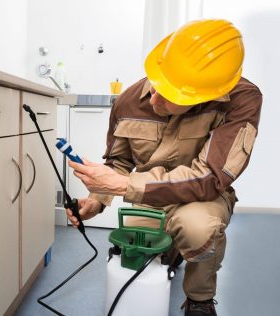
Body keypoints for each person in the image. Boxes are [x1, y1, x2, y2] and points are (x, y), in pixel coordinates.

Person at [66, 19, 262, 316]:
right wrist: (96, 201)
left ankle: (199, 300)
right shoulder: (130, 99)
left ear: (203, 96)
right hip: (149, 199)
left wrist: (123, 186)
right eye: (157, 84)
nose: (154, 99)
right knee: (136, 248)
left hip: (203, 198)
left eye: (171, 97)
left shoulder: (241, 101)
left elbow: (211, 176)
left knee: (197, 229)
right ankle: (172, 253)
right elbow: (120, 161)